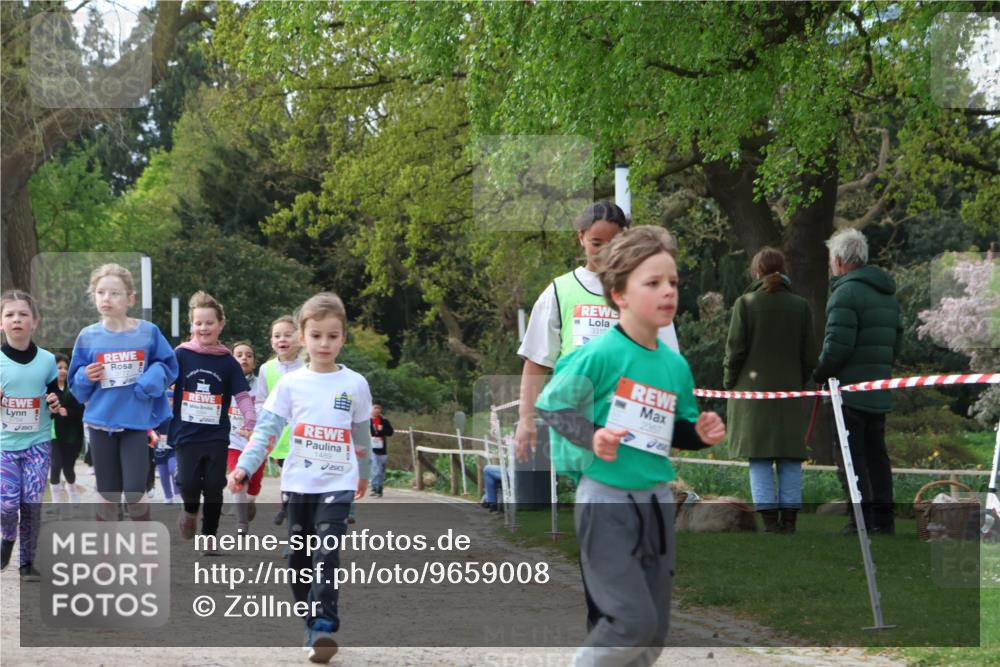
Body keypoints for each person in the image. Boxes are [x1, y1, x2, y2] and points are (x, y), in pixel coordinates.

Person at [535, 227, 725, 665]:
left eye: (673, 283)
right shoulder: (600, 354)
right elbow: (553, 407)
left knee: (653, 633)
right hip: (606, 501)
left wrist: (702, 433)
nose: (668, 293)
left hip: (657, 502)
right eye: (653, 283)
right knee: (629, 622)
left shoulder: (674, 364)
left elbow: (677, 430)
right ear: (619, 293)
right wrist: (593, 436)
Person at [229, 292, 372, 663]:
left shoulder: (355, 384)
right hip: (298, 485)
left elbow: (361, 436)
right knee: (299, 558)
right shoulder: (290, 385)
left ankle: (323, 626)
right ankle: (309, 622)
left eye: (333, 336)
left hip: (338, 484)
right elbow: (266, 431)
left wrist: (365, 474)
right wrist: (244, 466)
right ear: (302, 337)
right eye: (316, 335)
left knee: (326, 554)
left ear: (344, 338)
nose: (324, 343)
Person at [515, 201, 680, 462]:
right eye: (597, 242)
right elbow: (536, 361)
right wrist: (526, 419)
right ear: (581, 238)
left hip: (634, 417)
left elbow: (669, 360)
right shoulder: (559, 291)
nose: (605, 251)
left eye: (613, 242)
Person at [68, 264, 178, 522]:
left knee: (134, 491)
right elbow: (75, 383)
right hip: (100, 423)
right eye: (101, 292)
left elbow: (169, 365)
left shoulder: (148, 332)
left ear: (131, 298)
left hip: (135, 422)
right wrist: (86, 376)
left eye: (115, 293)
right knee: (107, 493)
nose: (107, 298)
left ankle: (144, 544)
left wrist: (152, 379)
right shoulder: (87, 336)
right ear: (93, 297)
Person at [813, 228, 903, 536]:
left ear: (838, 260)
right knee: (877, 457)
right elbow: (897, 342)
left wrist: (819, 373)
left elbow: (837, 345)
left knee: (852, 461)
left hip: (849, 392)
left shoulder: (845, 293)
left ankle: (860, 521)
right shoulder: (887, 294)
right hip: (878, 389)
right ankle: (884, 521)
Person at [723, 247, 816, 534]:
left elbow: (735, 349)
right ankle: (789, 523)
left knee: (759, 457)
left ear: (756, 272)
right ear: (783, 270)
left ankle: (769, 523)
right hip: (789, 392)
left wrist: (729, 381)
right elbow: (809, 355)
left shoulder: (745, 303)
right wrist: (798, 383)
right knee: (790, 457)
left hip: (753, 394)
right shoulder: (801, 306)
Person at [172, 292, 255, 547]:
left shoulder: (228, 362)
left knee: (213, 486)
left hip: (216, 435)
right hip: (186, 433)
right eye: (198, 323)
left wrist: (250, 418)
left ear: (220, 324)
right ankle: (188, 512)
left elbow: (241, 394)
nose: (203, 328)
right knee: (187, 483)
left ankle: (209, 536)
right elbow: (164, 382)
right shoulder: (181, 355)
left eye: (209, 322)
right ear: (191, 325)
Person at [1, 290, 61, 580]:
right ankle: (7, 536)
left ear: (34, 322)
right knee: (8, 504)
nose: (16, 320)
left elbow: (56, 393)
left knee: (32, 503)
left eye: (23, 314)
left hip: (37, 444)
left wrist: (55, 401)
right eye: (10, 314)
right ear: (1, 323)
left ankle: (27, 562)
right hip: (4, 446)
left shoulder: (47, 360)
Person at [253, 315, 303, 525]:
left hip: (303, 433)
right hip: (280, 435)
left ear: (300, 338)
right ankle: (288, 507)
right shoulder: (267, 368)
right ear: (271, 341)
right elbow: (261, 400)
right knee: (289, 476)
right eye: (277, 335)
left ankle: (291, 511)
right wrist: (264, 421)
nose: (282, 339)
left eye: (287, 335)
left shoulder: (308, 366)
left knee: (300, 481)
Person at [227, 340, 263, 531]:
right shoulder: (225, 382)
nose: (244, 358)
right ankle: (241, 523)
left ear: (254, 362)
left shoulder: (261, 385)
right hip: (233, 441)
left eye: (249, 355)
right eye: (239, 354)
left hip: (257, 442)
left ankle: (250, 500)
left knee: (254, 485)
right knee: (238, 477)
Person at [49, 353, 85, 505]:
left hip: (72, 435)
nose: (62, 370)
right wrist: (51, 411)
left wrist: (67, 412)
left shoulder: (74, 388)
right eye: (59, 367)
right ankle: (56, 502)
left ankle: (72, 491)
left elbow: (81, 410)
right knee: (55, 465)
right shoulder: (47, 387)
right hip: (52, 434)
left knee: (68, 468)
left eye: (65, 367)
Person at [368, 403, 394, 498]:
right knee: (375, 469)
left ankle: (380, 488)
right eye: (375, 408)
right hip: (371, 447)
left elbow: (390, 432)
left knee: (381, 470)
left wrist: (382, 429)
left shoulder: (384, 420)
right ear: (371, 409)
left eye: (379, 408)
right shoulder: (367, 420)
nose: (377, 410)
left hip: (382, 448)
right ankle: (375, 488)